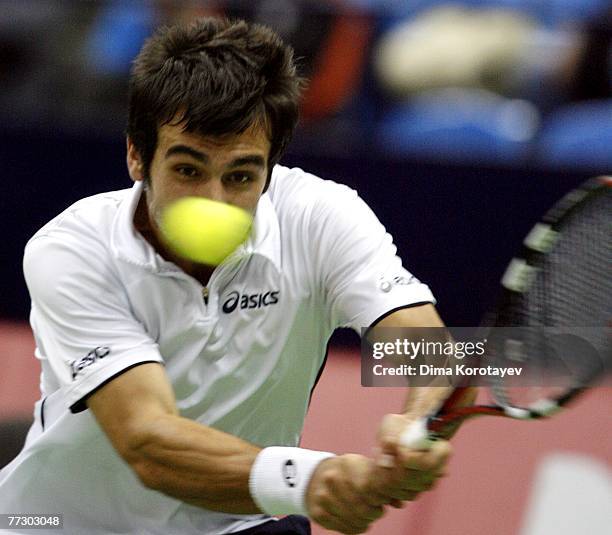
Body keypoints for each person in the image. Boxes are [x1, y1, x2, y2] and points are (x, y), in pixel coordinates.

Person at [0, 17, 470, 535]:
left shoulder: (321, 216)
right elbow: (148, 442)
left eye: (241, 175)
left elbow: (438, 354)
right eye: (188, 169)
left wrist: (421, 423)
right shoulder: (71, 250)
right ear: (137, 154)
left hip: (240, 522)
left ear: (271, 167)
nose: (214, 201)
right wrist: (308, 478)